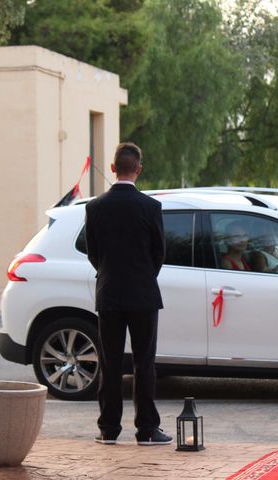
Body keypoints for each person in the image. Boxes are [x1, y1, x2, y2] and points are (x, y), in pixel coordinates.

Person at [85, 142, 171, 446]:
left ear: (112, 168)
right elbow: (158, 252)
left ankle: (108, 429)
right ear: (138, 169)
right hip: (143, 294)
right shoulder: (151, 207)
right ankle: (147, 429)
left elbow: (92, 252)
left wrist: (109, 272)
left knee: (109, 363)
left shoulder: (94, 207)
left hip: (109, 293)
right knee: (143, 363)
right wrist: (144, 276)